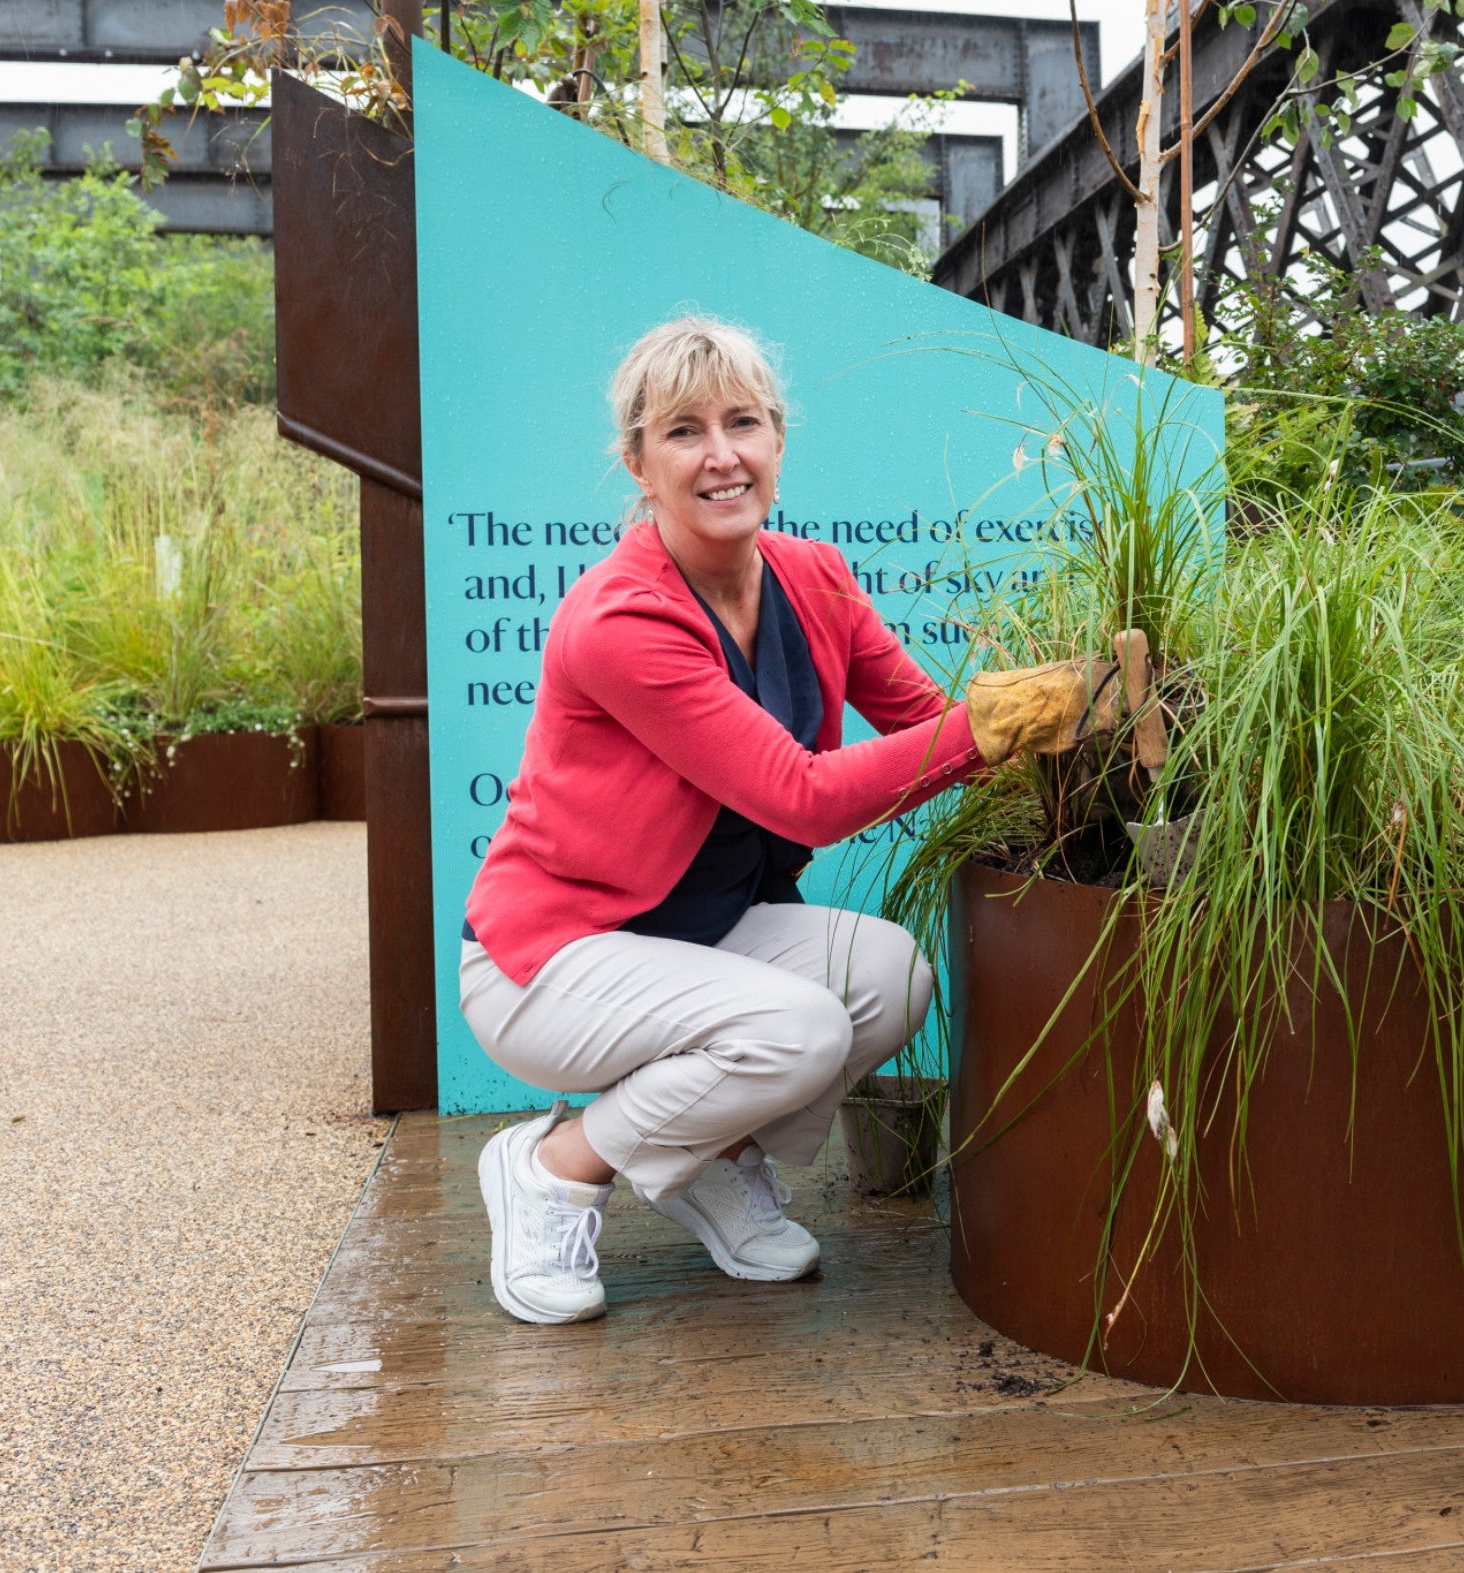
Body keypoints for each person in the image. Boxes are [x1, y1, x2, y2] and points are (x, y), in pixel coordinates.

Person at [457, 315, 1110, 1325]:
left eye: (743, 422)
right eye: (682, 431)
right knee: (799, 1030)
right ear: (637, 461)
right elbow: (802, 792)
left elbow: (922, 723)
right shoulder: (621, 618)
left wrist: (1087, 753)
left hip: (702, 932)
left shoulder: (816, 579)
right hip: (556, 961)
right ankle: (553, 1167)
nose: (721, 455)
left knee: (892, 980)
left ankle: (714, 1160)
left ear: (778, 440)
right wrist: (990, 725)